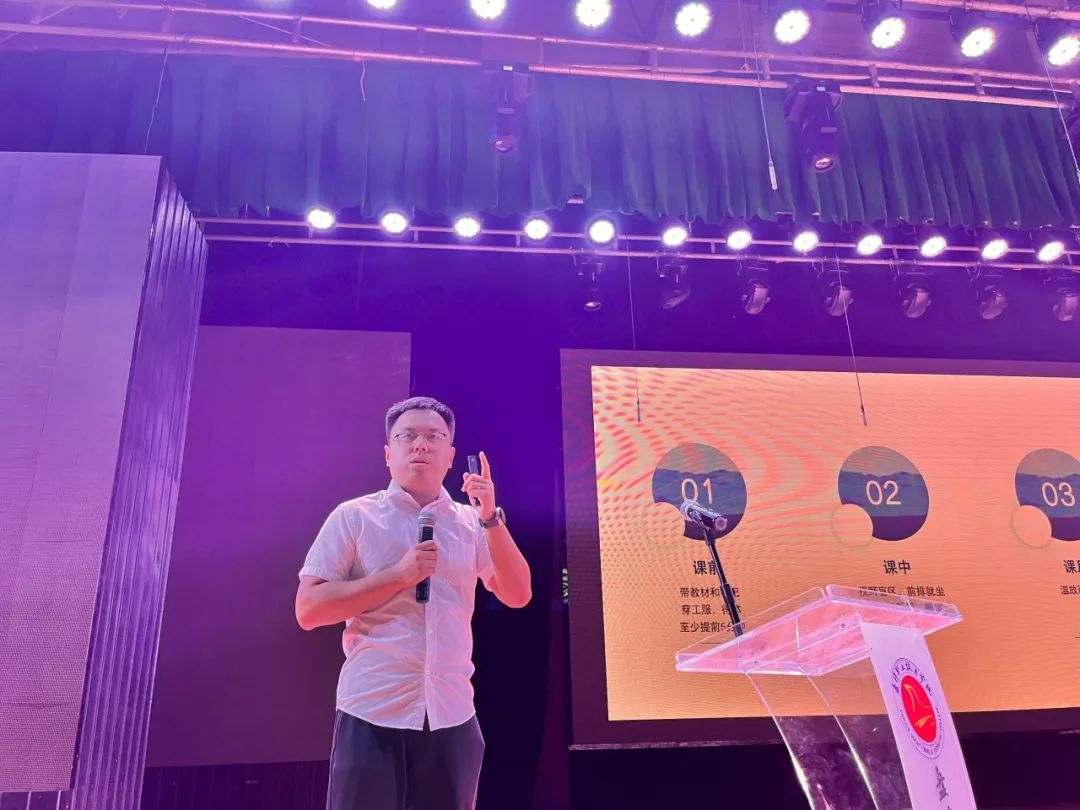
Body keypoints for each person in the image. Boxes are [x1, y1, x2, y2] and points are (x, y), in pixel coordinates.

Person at [295, 396, 531, 810]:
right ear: (388, 453)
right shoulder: (354, 516)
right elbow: (309, 609)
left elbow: (518, 594)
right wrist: (398, 577)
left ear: (451, 456)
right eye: (408, 436)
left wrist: (490, 517)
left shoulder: (472, 523)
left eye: (433, 437)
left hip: (451, 714)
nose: (421, 445)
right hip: (372, 710)